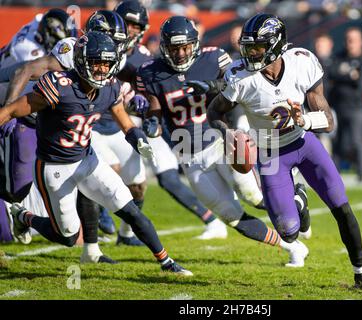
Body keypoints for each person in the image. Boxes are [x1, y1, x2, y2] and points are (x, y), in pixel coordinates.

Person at [207, 13, 362, 290]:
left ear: (275, 45)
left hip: (304, 144)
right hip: (270, 153)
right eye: (248, 46)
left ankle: (360, 274)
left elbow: (329, 120)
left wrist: (306, 119)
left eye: (258, 47)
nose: (250, 53)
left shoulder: (302, 62)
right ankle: (299, 199)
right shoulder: (240, 77)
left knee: (341, 206)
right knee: (288, 233)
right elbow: (215, 109)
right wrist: (228, 133)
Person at [0, 31, 192, 276]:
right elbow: (12, 110)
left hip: (87, 159)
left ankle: (167, 263)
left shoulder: (109, 89)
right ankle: (23, 217)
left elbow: (126, 123)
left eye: (107, 63)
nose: (102, 69)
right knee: (68, 236)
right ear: (81, 62)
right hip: (54, 167)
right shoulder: (59, 86)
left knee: (129, 208)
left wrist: (138, 140)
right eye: (96, 63)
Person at [134, 15, 310, 268]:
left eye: (185, 47)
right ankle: (294, 248)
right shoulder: (150, 72)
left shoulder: (213, 57)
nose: (181, 53)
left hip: (219, 142)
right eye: (175, 48)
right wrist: (150, 121)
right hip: (187, 153)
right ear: (165, 47)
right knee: (231, 217)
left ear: (194, 43)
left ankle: (296, 198)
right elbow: (154, 109)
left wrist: (210, 86)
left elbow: (238, 86)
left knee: (255, 197)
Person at [113, 1, 228, 241]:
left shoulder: (144, 60)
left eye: (136, 25)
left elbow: (142, 98)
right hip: (105, 123)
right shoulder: (102, 50)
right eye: (127, 24)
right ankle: (113, 232)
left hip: (142, 126)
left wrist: (138, 106)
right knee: (122, 180)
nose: (131, 30)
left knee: (156, 178)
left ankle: (211, 219)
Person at [0, 8, 77, 245]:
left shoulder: (41, 24)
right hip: (5, 97)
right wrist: (9, 111)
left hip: (20, 106)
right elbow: (25, 72)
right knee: (14, 187)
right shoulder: (29, 51)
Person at [329, 27, 362, 182]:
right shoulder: (339, 57)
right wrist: (349, 76)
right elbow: (332, 73)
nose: (350, 43)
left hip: (355, 107)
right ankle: (336, 172)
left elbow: (359, 83)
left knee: (357, 141)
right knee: (338, 141)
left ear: (361, 41)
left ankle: (361, 173)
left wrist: (341, 77)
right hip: (338, 106)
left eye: (353, 39)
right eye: (348, 39)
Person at [311, 33, 336, 155]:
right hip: (311, 106)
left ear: (330, 45)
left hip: (329, 106)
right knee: (310, 137)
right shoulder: (310, 61)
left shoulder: (334, 62)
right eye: (318, 44)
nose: (319, 47)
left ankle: (328, 163)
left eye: (322, 44)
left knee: (327, 136)